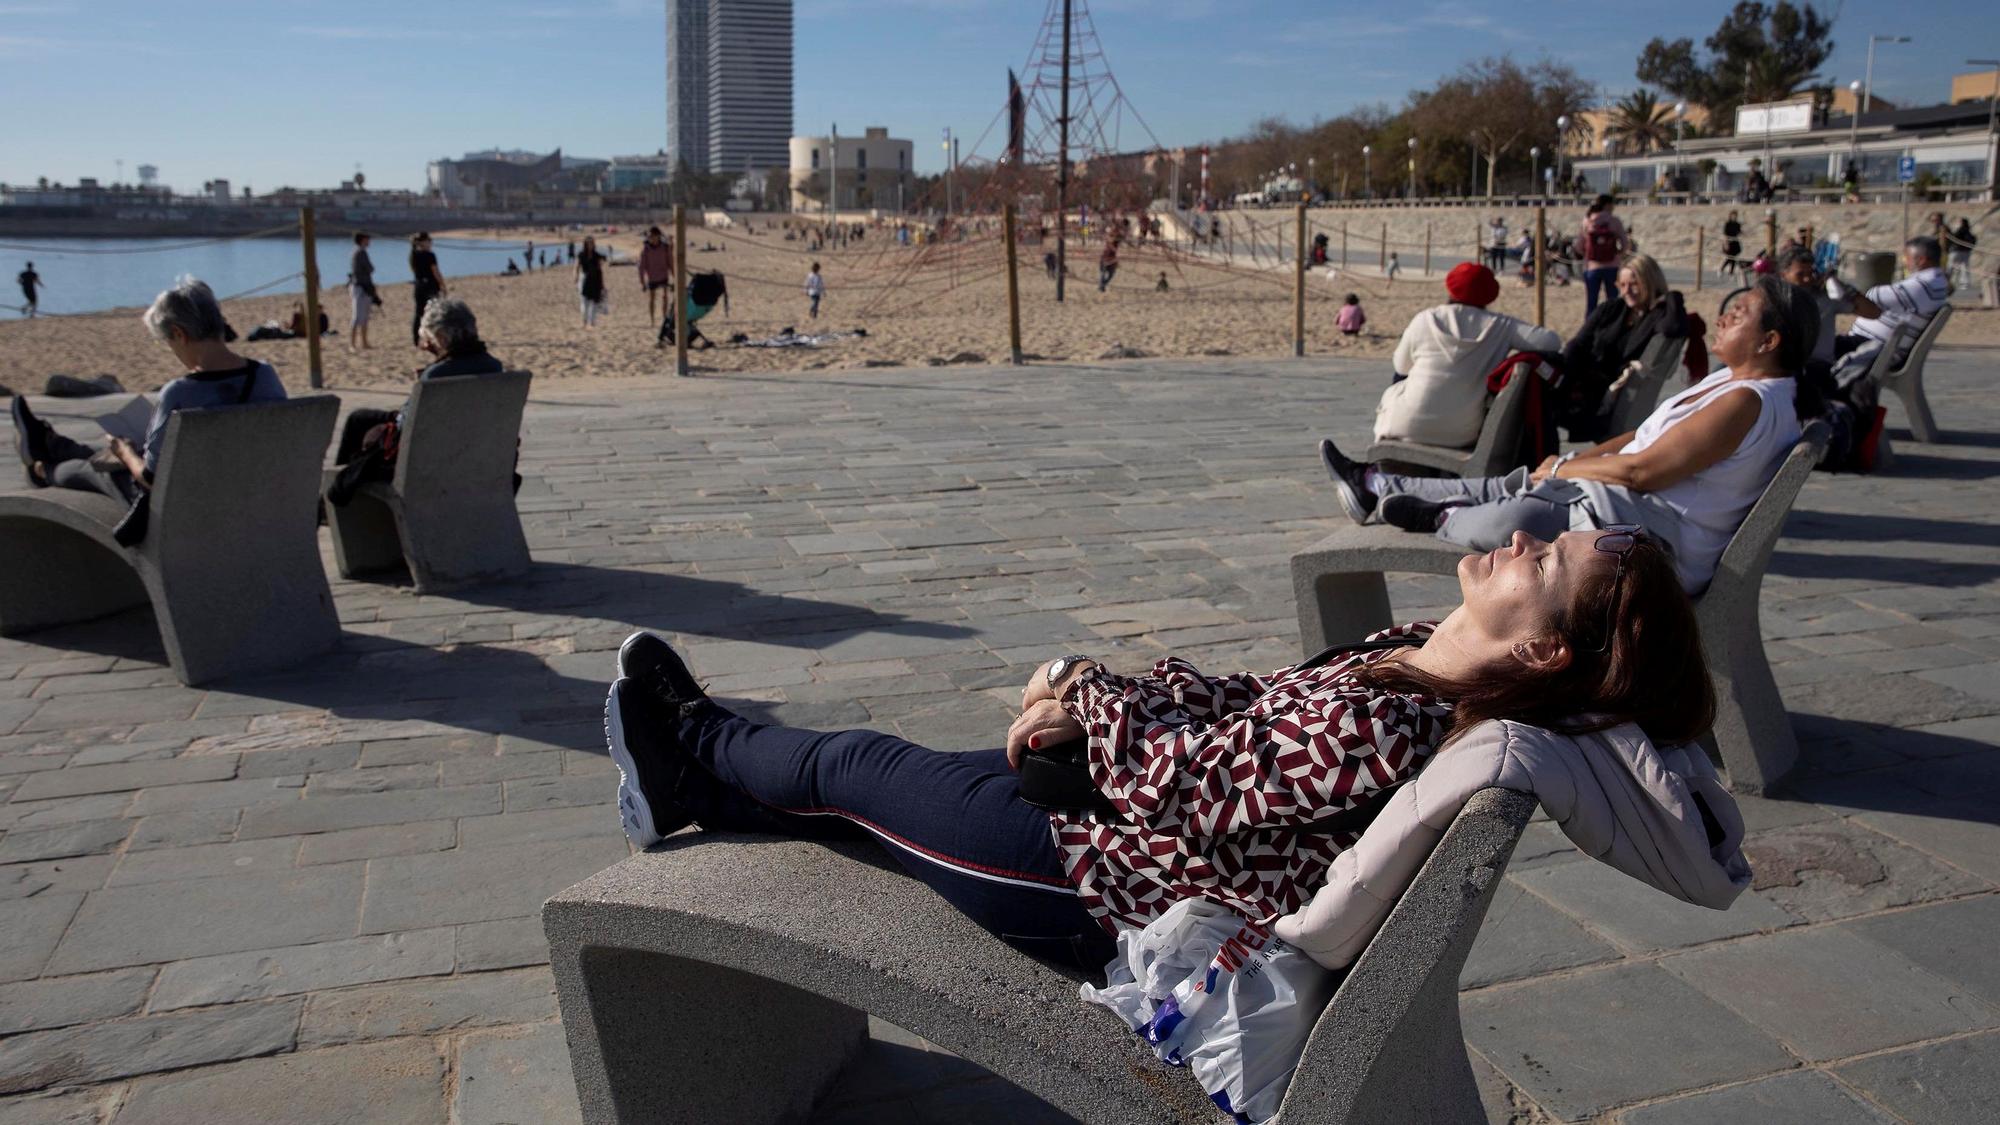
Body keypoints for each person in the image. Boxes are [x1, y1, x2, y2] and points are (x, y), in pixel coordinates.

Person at [598, 521, 1714, 970]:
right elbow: (1239, 700)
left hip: (1103, 887)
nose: (1518, 538)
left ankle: (687, 735)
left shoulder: (1398, 721)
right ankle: (694, 782)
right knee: (878, 792)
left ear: (1543, 652)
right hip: (1126, 825)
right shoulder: (1416, 651)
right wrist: (1103, 694)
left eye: (1542, 562)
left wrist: (1083, 693)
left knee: (858, 770)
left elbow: (1191, 790)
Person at [1325, 274, 1818, 594]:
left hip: (1647, 544)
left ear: (1769, 340)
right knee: (1514, 484)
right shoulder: (1731, 382)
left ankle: (1444, 518)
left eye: (1741, 312)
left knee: (1515, 516)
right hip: (1619, 508)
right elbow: (1636, 438)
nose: (1725, 315)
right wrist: (1573, 461)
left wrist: (1564, 465)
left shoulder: (1747, 401)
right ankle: (1377, 486)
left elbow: (1644, 471)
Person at [12, 278, 285, 511]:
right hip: (246, 492)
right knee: (108, 453)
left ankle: (40, 469)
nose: (171, 349)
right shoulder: (264, 375)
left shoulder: (180, 393)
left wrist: (126, 452)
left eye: (168, 341)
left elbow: (150, 478)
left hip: (184, 505)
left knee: (94, 469)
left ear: (179, 333)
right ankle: (52, 443)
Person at [327, 297, 507, 506]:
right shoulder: (494, 367)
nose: (425, 345)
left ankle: (334, 503)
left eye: (428, 338)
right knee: (361, 418)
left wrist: (422, 385)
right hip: (477, 459)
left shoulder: (436, 376)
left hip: (430, 464)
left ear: (440, 336)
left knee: (358, 422)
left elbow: (406, 426)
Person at [1372, 262, 1561, 449]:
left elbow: (1401, 367)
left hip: (1407, 427)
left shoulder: (1427, 318)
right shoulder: (1502, 326)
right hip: (1461, 434)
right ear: (1490, 295)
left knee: (1399, 384)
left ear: (1450, 288)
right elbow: (1551, 342)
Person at [1557, 252, 1689, 440]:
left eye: (1634, 284)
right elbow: (1578, 344)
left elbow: (1673, 327)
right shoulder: (1612, 309)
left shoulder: (1657, 317)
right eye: (1622, 285)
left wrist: (1672, 296)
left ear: (1650, 282)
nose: (1627, 291)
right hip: (1581, 383)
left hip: (1610, 397)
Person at [1832, 236, 1950, 380]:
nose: (1904, 262)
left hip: (1875, 349)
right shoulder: (1935, 283)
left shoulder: (1924, 286)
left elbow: (1872, 296)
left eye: (1907, 257)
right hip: (1877, 345)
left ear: (1921, 260)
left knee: (1816, 348)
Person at [1577, 195, 1630, 316]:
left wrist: (1586, 255)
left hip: (1591, 266)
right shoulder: (1614, 221)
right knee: (1613, 300)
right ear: (1607, 205)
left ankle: (1590, 327)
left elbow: (1578, 245)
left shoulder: (1587, 221)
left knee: (1591, 301)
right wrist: (1618, 254)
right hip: (1612, 265)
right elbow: (1625, 244)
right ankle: (1612, 326)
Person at [408, 232, 446, 348]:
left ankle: (416, 339)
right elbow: (435, 272)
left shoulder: (414, 255)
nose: (430, 243)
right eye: (429, 241)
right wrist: (443, 285)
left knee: (419, 313)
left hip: (419, 286)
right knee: (433, 312)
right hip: (430, 286)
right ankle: (432, 337)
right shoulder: (429, 255)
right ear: (423, 242)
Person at [348, 233, 380, 351]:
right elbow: (370, 268)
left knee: (365, 316)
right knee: (357, 316)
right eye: (367, 239)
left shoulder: (359, 252)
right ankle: (353, 344)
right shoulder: (360, 253)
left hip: (364, 286)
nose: (369, 241)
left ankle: (364, 342)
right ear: (362, 240)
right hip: (360, 287)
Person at [638, 227, 673, 323]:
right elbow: (642, 266)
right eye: (649, 236)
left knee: (665, 296)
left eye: (653, 236)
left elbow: (670, 262)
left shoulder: (665, 247)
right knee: (652, 298)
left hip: (663, 275)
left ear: (658, 236)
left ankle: (664, 317)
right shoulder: (646, 249)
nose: (651, 238)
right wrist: (642, 281)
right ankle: (652, 319)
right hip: (652, 277)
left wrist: (674, 275)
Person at [575, 236, 607, 328]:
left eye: (592, 243)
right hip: (585, 279)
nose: (590, 245)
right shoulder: (581, 255)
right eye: (588, 243)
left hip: (595, 279)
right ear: (585, 244)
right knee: (584, 301)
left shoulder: (596, 255)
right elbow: (577, 266)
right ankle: (584, 322)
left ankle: (592, 322)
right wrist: (576, 276)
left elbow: (600, 268)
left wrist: (602, 283)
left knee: (594, 302)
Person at [1947, 219, 1976, 292]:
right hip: (1958, 251)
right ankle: (1948, 281)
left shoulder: (1964, 231)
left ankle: (1963, 283)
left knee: (1962, 267)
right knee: (1954, 267)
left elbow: (1971, 240)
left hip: (1960, 251)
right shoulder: (1963, 231)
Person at [1720, 211, 1744, 279]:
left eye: (1735, 216)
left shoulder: (1737, 224)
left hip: (1735, 242)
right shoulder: (1728, 224)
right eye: (1733, 215)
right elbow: (1725, 234)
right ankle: (1721, 269)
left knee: (1734, 258)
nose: (1734, 217)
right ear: (1730, 216)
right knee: (1729, 257)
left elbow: (1739, 232)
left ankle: (1731, 272)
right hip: (1729, 241)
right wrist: (1726, 243)